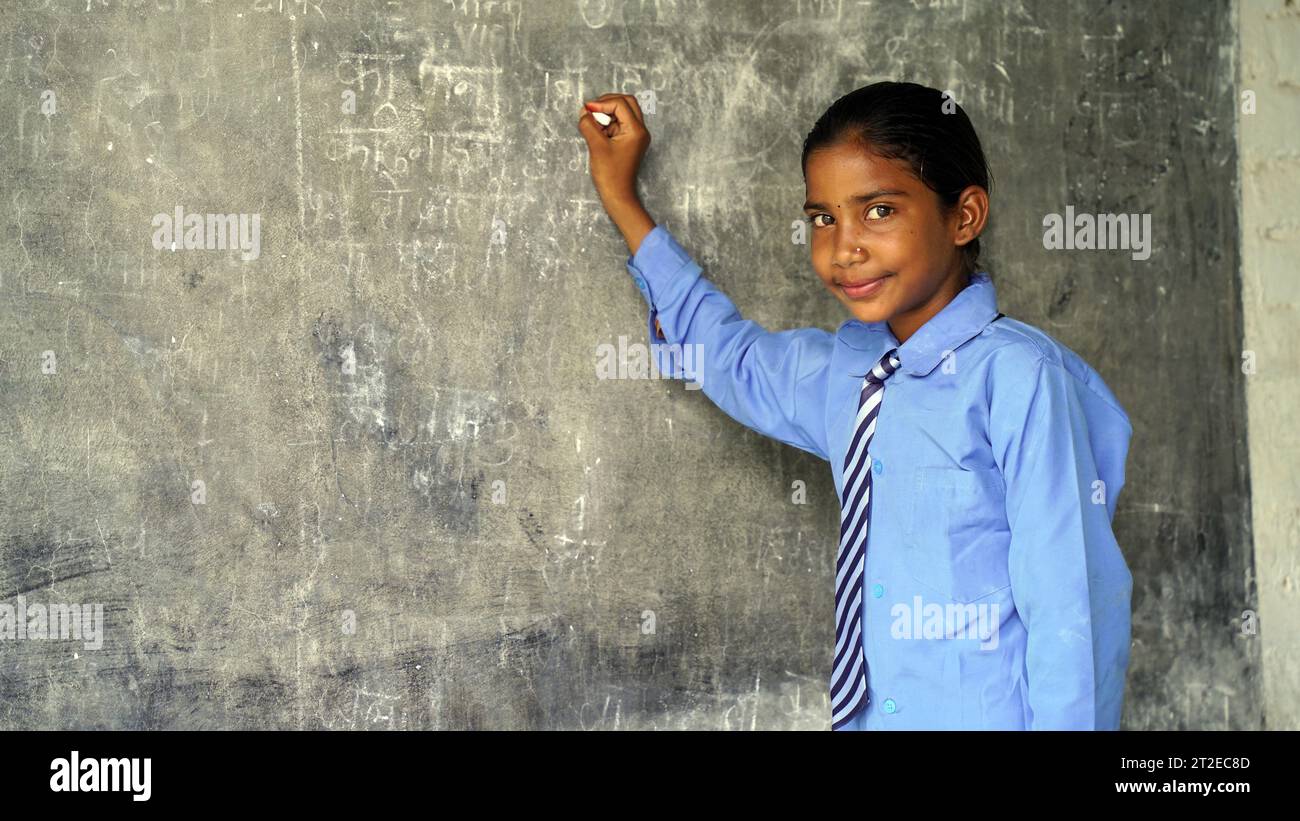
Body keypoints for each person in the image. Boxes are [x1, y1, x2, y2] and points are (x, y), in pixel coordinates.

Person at [577, 81, 1133, 730]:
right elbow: (728, 358)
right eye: (823, 218)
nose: (844, 248)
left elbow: (1072, 607)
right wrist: (622, 199)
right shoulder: (845, 372)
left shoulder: (1017, 376)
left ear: (964, 216)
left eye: (879, 211)